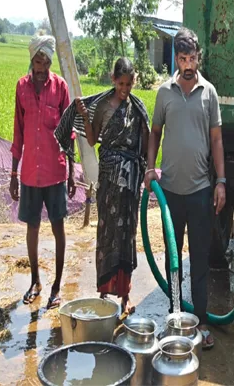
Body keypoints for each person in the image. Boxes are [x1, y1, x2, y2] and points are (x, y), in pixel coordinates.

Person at [144, 27, 225, 350]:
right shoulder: (165, 93)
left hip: (201, 190)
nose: (188, 64)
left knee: (200, 259)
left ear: (198, 58)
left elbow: (216, 140)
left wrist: (221, 182)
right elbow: (155, 133)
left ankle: (201, 322)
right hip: (171, 193)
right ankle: (176, 317)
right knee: (173, 259)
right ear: (175, 59)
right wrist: (150, 167)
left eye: (192, 58)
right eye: (182, 58)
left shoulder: (209, 93)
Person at [55, 58, 150, 316]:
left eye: (129, 84)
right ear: (113, 80)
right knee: (107, 232)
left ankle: (125, 295)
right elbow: (92, 139)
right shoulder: (103, 106)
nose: (125, 89)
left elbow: (145, 144)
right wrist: (85, 117)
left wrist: (145, 166)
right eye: (121, 84)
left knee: (127, 235)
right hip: (108, 180)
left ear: (134, 81)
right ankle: (104, 293)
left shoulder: (138, 108)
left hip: (129, 183)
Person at [10, 35, 76, 310]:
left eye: (46, 63)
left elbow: (69, 133)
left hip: (55, 172)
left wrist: (72, 173)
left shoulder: (60, 87)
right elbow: (18, 132)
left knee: (58, 227)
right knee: (32, 227)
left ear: (50, 62)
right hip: (30, 173)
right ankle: (35, 281)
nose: (41, 68)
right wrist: (13, 175)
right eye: (38, 62)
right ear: (32, 60)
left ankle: (56, 286)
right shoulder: (21, 87)